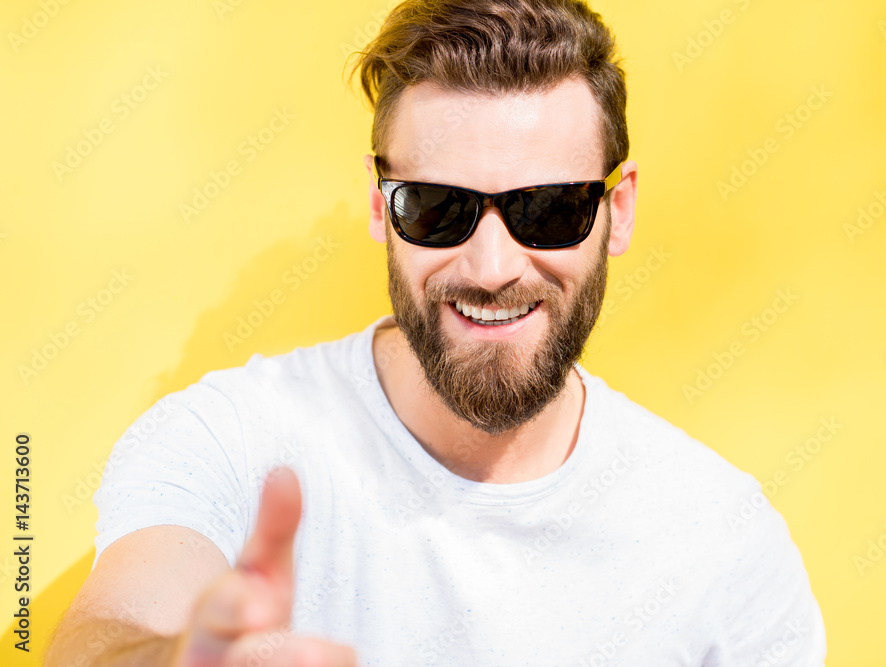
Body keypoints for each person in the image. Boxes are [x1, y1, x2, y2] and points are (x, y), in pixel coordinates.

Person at [47, 1, 827, 665]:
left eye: (549, 209)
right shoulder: (229, 439)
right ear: (380, 203)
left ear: (616, 211)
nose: (491, 266)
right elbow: (110, 631)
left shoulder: (725, 546)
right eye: (436, 207)